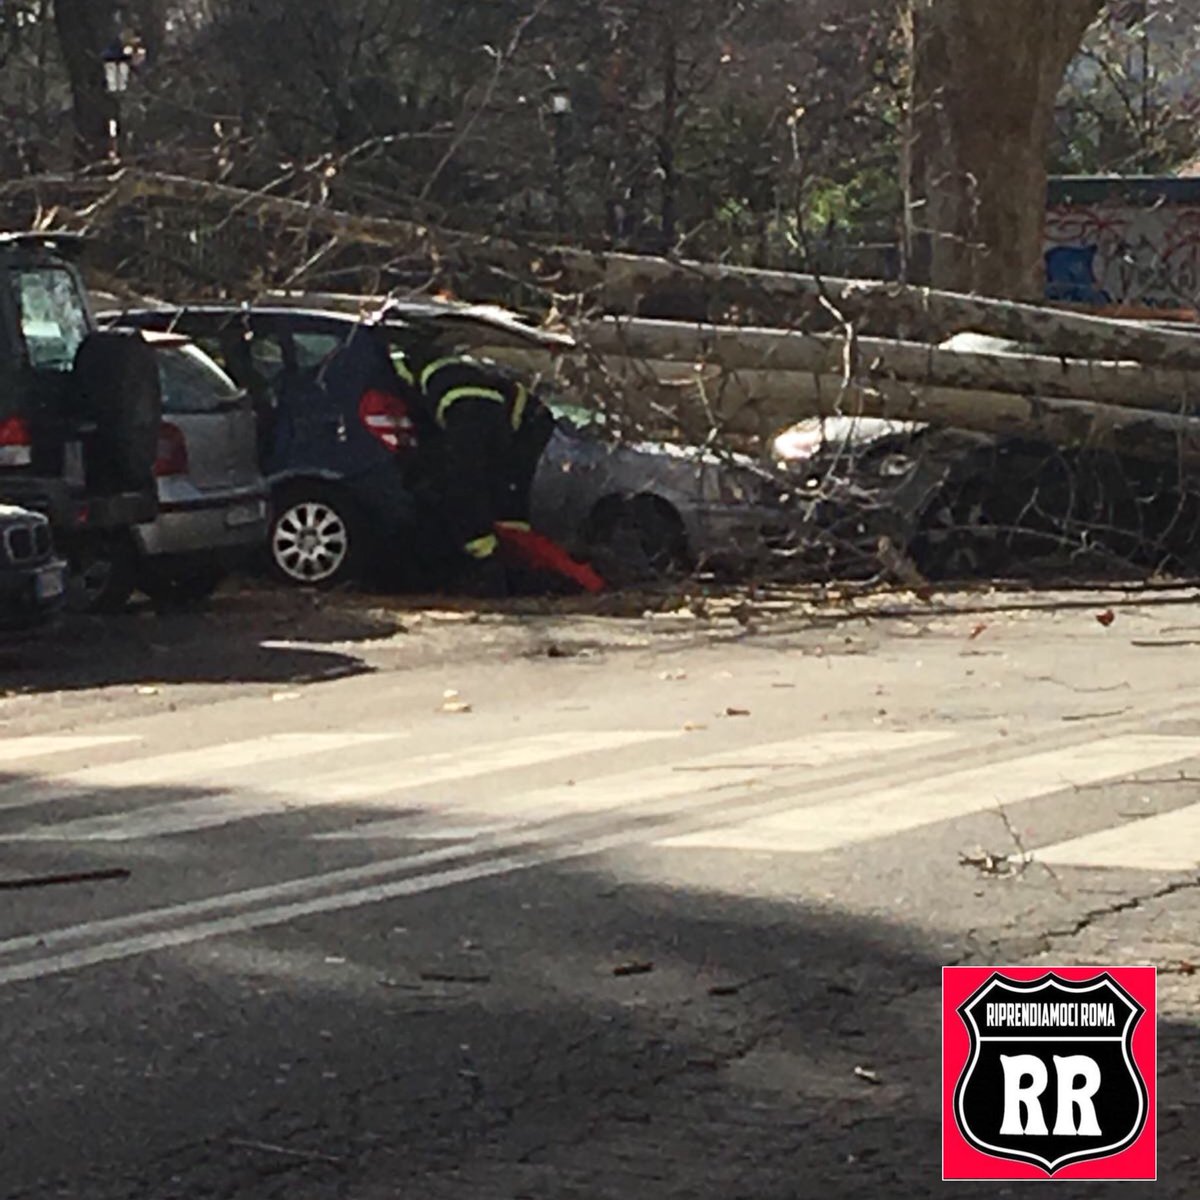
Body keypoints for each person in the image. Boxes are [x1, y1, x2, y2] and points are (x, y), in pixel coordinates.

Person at [394, 349, 556, 596]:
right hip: (485, 412)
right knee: (497, 490)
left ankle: (490, 560)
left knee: (472, 484)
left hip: (471, 412)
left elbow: (468, 480)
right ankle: (503, 563)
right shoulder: (462, 376)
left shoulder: (405, 368)